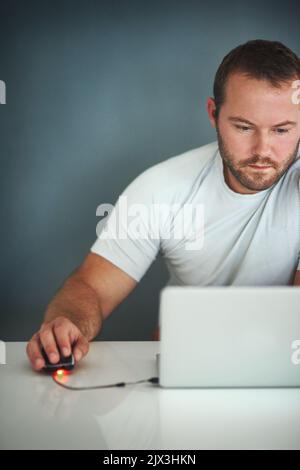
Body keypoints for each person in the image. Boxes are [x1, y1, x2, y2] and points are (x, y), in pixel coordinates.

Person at [27, 39, 300, 371]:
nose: (263, 149)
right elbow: (92, 287)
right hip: (186, 368)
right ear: (214, 114)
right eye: (244, 127)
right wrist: (65, 323)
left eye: (282, 130)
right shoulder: (161, 188)